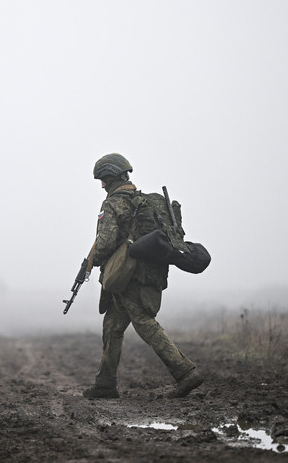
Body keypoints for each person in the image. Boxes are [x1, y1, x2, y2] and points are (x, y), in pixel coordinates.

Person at [85, 153, 203, 399]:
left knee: (144, 322)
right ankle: (105, 384)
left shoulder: (113, 204)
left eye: (103, 180)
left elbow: (105, 243)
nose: (102, 185)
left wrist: (93, 261)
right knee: (113, 325)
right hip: (151, 271)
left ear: (111, 177)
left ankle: (185, 372)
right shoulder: (145, 203)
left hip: (128, 275)